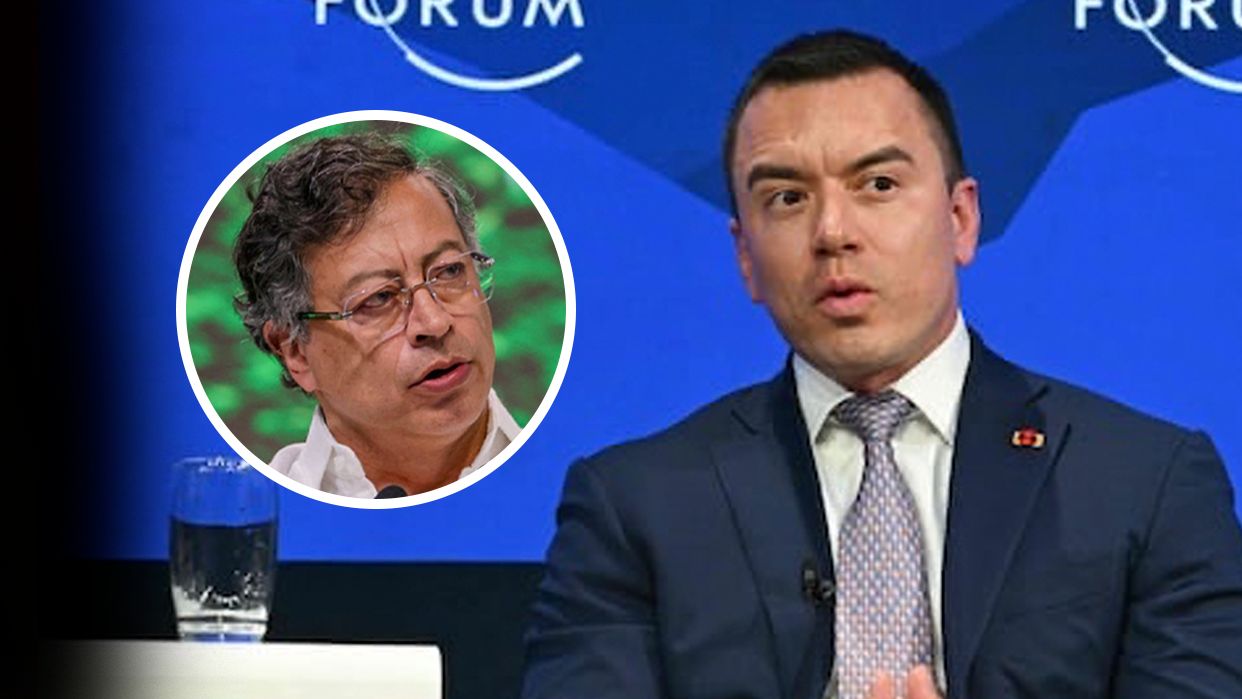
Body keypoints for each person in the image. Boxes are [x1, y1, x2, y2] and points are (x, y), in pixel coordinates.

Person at [521, 30, 1242, 699]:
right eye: (788, 198)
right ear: (745, 256)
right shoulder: (634, 507)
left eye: (878, 185)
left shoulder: (1145, 485)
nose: (833, 232)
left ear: (961, 219)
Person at [233, 133, 519, 499]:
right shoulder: (265, 513)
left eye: (449, 271)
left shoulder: (575, 474)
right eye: (379, 298)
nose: (435, 323)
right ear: (295, 352)